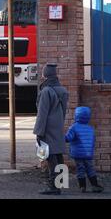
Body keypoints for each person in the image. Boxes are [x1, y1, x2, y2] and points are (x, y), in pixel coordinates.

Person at [33, 63, 69, 195]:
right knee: (58, 154)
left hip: (47, 127)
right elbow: (63, 111)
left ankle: (53, 187)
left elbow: (42, 114)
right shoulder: (63, 90)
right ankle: (61, 182)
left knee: (49, 156)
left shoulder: (46, 91)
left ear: (45, 75)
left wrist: (38, 132)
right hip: (58, 126)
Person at [65, 106, 104, 193]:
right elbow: (93, 141)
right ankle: (95, 185)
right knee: (90, 168)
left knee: (80, 169)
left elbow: (68, 138)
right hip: (88, 153)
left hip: (77, 154)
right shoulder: (90, 128)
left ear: (76, 116)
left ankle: (82, 186)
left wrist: (62, 137)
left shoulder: (73, 127)